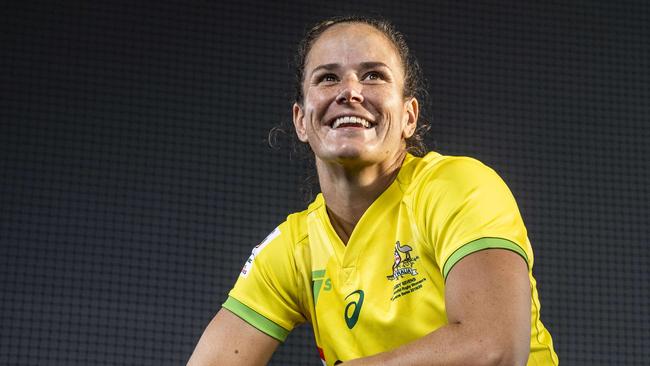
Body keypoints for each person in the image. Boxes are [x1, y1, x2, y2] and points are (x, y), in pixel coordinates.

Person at [187, 15, 559, 366]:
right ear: (301, 120)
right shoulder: (295, 249)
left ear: (408, 117)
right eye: (328, 78)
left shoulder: (457, 187)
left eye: (373, 76)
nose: (350, 91)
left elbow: (494, 349)